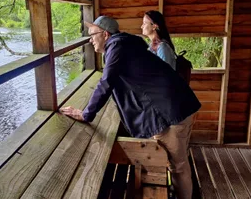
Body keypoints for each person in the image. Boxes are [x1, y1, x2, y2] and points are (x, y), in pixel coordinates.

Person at [60, 16, 200, 199]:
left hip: (171, 112)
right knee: (178, 164)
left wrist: (86, 114)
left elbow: (106, 82)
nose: (90, 39)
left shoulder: (116, 46)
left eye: (92, 34)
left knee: (178, 167)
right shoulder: (126, 44)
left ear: (105, 34)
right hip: (177, 106)